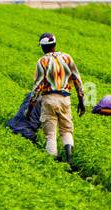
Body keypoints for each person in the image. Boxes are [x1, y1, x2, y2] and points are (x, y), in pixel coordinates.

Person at [30, 32, 85, 163]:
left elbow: (37, 86)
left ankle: (53, 163)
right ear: (54, 44)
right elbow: (77, 80)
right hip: (65, 99)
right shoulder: (67, 58)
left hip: (49, 99)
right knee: (66, 130)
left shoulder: (42, 61)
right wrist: (81, 100)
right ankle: (69, 156)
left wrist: (30, 107)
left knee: (50, 135)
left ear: (43, 47)